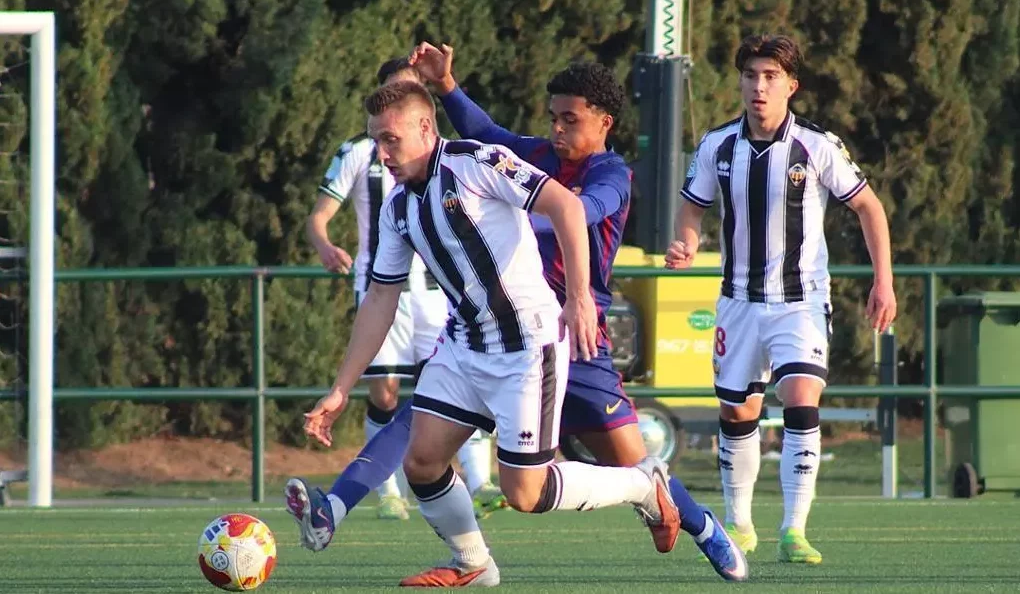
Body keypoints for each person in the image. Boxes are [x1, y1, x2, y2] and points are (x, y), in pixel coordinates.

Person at [289, 80, 680, 588]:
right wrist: (341, 389)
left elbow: (565, 207)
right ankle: (473, 564)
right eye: (376, 140)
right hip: (465, 347)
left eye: (391, 139)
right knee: (422, 462)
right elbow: (381, 298)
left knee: (525, 494)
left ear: (425, 128)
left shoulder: (478, 162)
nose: (382, 153)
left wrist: (579, 297)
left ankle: (642, 484)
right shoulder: (398, 208)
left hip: (527, 347)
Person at [667, 33, 897, 564]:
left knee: (800, 398)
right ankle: (740, 524)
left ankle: (794, 530)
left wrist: (882, 281)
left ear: (791, 85)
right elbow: (692, 207)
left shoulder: (817, 145)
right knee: (738, 411)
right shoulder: (717, 145)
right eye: (751, 76)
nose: (759, 86)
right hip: (739, 302)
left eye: (771, 77)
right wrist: (686, 243)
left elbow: (869, 207)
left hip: (800, 300)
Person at [307, 57, 499, 520]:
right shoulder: (360, 152)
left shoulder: (455, 160)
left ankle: (480, 481)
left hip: (436, 294)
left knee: (453, 384)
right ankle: (388, 491)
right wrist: (325, 245)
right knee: (386, 394)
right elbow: (318, 216)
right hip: (381, 287)